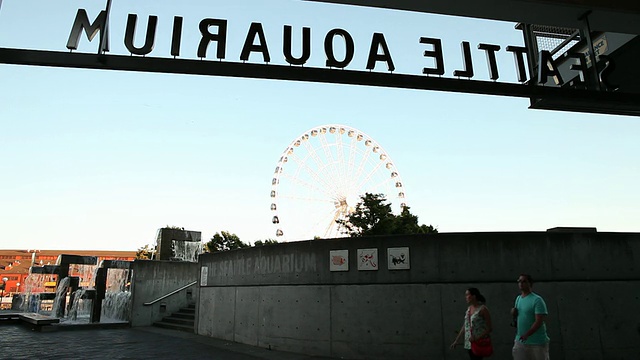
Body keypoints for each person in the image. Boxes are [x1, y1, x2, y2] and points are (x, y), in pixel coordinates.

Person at [512, 274, 550, 360]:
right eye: (519, 281)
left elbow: (539, 321)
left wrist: (527, 334)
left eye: (524, 281)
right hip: (520, 340)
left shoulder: (537, 300)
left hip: (536, 342)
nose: (521, 283)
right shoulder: (518, 299)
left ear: (530, 283)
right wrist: (514, 314)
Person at [450, 287, 493, 359]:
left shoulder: (483, 309)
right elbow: (465, 325)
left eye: (467, 295)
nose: (466, 297)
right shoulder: (469, 309)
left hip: (478, 341)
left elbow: (489, 328)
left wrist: (476, 338)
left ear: (474, 296)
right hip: (469, 342)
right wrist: (457, 340)